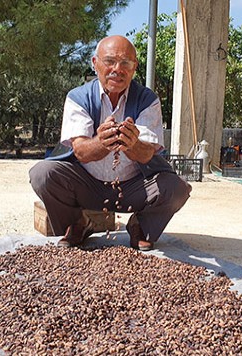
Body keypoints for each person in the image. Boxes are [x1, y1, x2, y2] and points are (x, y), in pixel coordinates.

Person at [29, 35, 191, 251]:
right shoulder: (78, 97)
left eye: (125, 63)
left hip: (133, 187)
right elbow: (81, 151)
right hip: (87, 185)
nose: (118, 69)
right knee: (43, 173)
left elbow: (147, 154)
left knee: (176, 188)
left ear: (134, 67)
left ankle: (140, 225)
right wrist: (102, 142)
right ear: (95, 64)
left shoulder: (147, 99)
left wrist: (132, 143)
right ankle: (77, 223)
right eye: (110, 61)